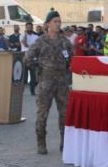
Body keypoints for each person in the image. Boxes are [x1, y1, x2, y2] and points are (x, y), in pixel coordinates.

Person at [26, 10, 74, 154]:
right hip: (45, 83)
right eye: (55, 22)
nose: (58, 24)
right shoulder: (40, 41)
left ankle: (65, 143)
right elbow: (27, 59)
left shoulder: (65, 42)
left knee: (65, 114)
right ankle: (41, 143)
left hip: (62, 84)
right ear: (47, 24)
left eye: (59, 22)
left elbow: (71, 60)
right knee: (42, 113)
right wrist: (40, 66)